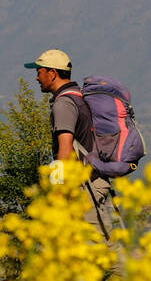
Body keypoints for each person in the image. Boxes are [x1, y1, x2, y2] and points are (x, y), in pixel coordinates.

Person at [24, 48, 119, 245]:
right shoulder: (77, 96)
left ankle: (131, 276)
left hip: (84, 187)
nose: (36, 77)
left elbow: (65, 148)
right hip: (90, 182)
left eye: (39, 71)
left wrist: (58, 188)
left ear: (52, 73)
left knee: (102, 251)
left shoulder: (64, 104)